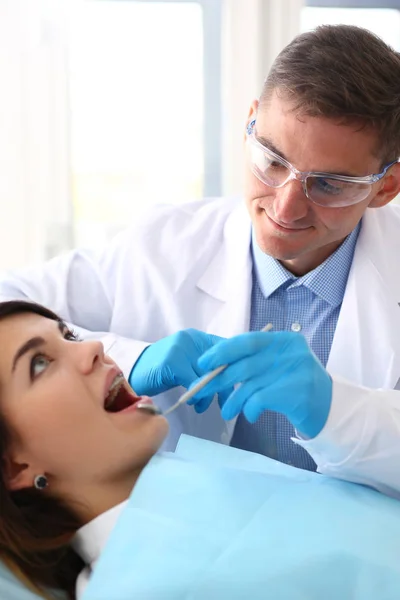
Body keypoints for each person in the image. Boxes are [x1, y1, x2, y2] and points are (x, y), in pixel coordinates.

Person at [1, 25, 400, 472]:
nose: (285, 206)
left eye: (327, 184)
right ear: (250, 122)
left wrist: (337, 411)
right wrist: (132, 359)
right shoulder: (162, 245)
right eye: (271, 160)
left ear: (386, 186)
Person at [0, 300, 400, 600]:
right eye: (39, 364)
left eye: (69, 335)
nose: (93, 349)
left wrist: (338, 412)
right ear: (13, 465)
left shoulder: (197, 481)